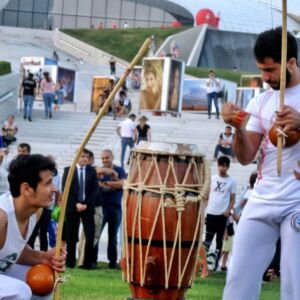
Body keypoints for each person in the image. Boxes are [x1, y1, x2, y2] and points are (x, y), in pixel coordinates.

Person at [222, 27, 300, 300]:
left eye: (270, 70)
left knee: (294, 282)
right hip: (262, 198)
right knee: (238, 277)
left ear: (291, 62)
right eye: (261, 70)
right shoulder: (260, 101)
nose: (265, 78)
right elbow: (244, 157)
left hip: (297, 200)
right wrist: (238, 129)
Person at [0, 154, 66, 299]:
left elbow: (14, 251)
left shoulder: (36, 212)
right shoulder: (2, 216)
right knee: (19, 291)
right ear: (26, 189)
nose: (55, 189)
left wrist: (43, 257)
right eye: (48, 183)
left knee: (44, 281)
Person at [62, 149, 98, 269]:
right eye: (82, 156)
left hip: (87, 208)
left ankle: (87, 263)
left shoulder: (92, 171)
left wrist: (86, 204)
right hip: (73, 208)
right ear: (77, 157)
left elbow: (94, 190)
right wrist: (75, 204)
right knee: (71, 236)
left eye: (87, 157)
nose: (85, 159)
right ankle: (70, 262)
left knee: (90, 235)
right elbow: (66, 190)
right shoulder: (69, 170)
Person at [204, 156, 236, 266]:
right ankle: (203, 263)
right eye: (220, 165)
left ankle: (214, 264)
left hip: (222, 214)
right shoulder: (212, 178)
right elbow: (207, 195)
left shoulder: (232, 181)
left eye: (224, 166)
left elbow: (232, 199)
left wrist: (228, 210)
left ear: (227, 167)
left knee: (219, 239)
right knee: (208, 238)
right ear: (217, 166)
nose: (221, 168)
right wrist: (205, 209)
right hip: (211, 212)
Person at [97, 149, 126, 269]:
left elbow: (123, 184)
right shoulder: (100, 171)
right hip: (102, 207)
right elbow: (98, 184)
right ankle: (92, 260)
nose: (105, 160)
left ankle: (112, 262)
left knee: (112, 236)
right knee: (96, 234)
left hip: (115, 208)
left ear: (112, 157)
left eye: (107, 157)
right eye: (103, 158)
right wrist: (115, 183)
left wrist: (107, 183)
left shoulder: (120, 170)